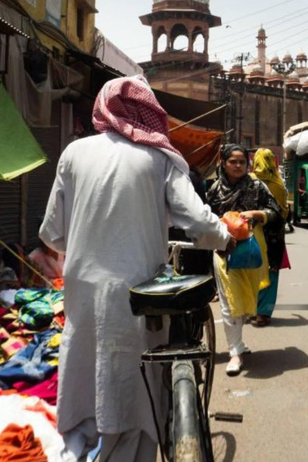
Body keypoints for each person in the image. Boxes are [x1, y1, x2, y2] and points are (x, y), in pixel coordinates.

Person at [39, 76, 232, 462]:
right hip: (138, 292)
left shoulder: (74, 153)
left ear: (103, 108)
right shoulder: (159, 157)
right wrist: (226, 236)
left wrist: (86, 244)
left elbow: (53, 233)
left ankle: (80, 447)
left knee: (85, 369)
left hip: (81, 288)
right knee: (135, 381)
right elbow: (199, 222)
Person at [207, 144, 281, 376]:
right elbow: (204, 218)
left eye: (242, 161)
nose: (238, 166)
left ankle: (238, 343)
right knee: (230, 302)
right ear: (224, 163)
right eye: (233, 161)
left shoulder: (258, 186)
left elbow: (276, 212)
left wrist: (256, 214)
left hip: (251, 250)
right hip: (223, 251)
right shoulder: (214, 189)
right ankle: (234, 353)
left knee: (245, 299)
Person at [250, 148, 289, 327]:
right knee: (272, 270)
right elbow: (284, 212)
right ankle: (263, 313)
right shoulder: (278, 184)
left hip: (253, 232)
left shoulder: (249, 181)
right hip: (274, 234)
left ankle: (251, 308)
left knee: (252, 269)